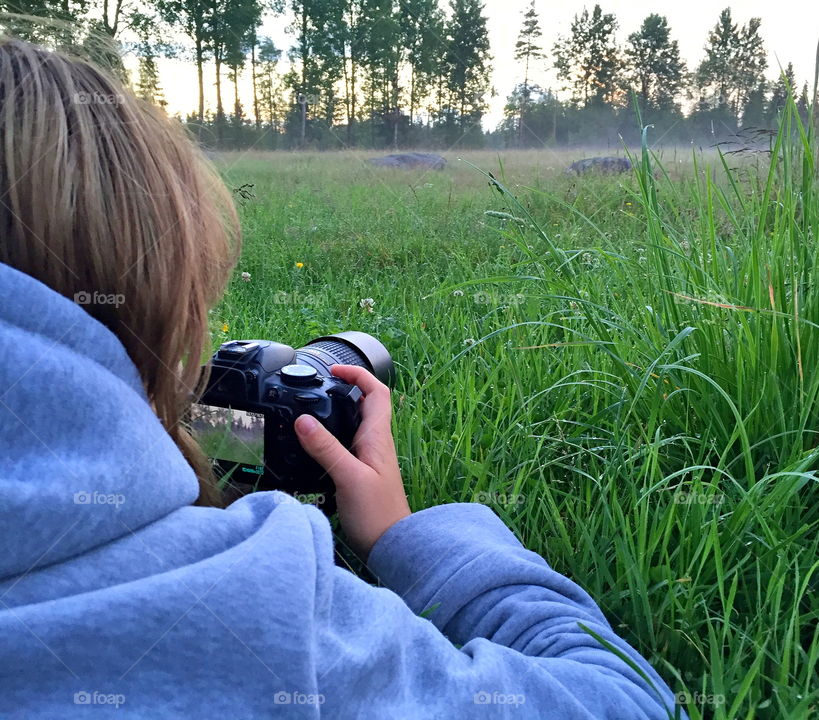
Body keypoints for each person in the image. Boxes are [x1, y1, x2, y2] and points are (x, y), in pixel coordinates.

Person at [0, 37, 682, 718]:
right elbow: (626, 701)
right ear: (142, 318)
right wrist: (399, 536)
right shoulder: (254, 611)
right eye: (194, 323)